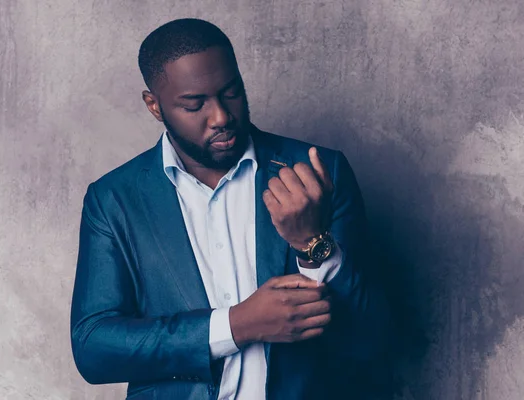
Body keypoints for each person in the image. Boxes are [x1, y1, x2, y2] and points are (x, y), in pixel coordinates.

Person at [70, 18, 391, 400]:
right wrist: (236, 326)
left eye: (231, 92)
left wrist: (312, 244)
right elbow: (94, 349)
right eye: (195, 104)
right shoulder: (114, 199)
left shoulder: (317, 171)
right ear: (154, 106)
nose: (221, 116)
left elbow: (373, 339)